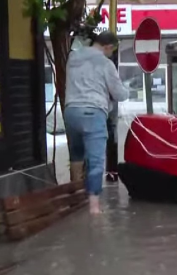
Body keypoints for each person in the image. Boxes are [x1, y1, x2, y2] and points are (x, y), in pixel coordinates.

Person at [64, 31, 128, 214]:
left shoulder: (73, 57)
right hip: (93, 112)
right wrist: (127, 92)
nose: (111, 54)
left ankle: (76, 198)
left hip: (71, 111)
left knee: (76, 156)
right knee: (96, 160)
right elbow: (118, 93)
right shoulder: (105, 64)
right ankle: (94, 207)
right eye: (112, 50)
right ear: (108, 47)